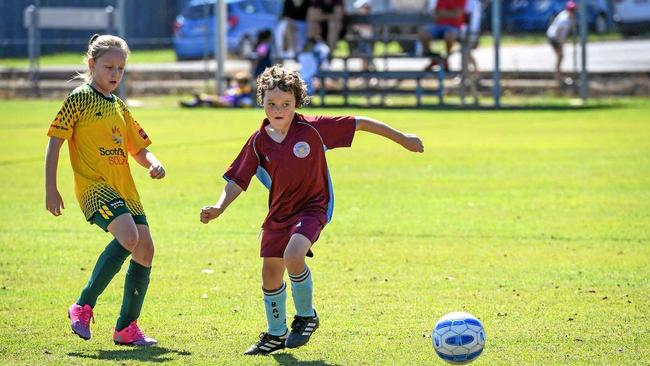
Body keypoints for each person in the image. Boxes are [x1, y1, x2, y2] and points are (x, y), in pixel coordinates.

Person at [199, 65, 424, 355]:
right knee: (270, 271)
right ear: (261, 102)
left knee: (294, 255)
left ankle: (306, 316)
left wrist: (402, 138)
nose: (278, 109)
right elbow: (237, 179)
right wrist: (219, 206)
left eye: (285, 104)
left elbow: (360, 122)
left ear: (297, 103)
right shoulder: (258, 141)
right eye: (271, 104)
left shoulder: (313, 129)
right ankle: (276, 333)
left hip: (313, 207)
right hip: (279, 213)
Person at [45, 34, 165, 347]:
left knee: (145, 250)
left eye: (120, 69)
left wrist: (153, 163)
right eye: (108, 67)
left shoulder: (120, 107)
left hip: (124, 189)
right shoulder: (79, 99)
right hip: (93, 187)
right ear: (91, 64)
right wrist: (50, 188)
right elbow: (55, 141)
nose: (115, 74)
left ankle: (126, 329)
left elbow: (138, 148)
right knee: (128, 237)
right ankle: (82, 305)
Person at [419, 0, 467, 71]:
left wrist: (443, 13)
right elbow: (437, 13)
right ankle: (434, 58)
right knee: (423, 32)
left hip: (454, 27)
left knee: (449, 35)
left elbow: (457, 14)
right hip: (439, 25)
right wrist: (450, 13)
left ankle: (445, 59)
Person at [180, 72, 253, 108]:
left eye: (241, 82)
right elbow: (226, 93)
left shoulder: (246, 90)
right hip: (223, 100)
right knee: (212, 100)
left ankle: (201, 98)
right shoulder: (234, 88)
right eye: (238, 82)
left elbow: (243, 101)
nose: (239, 83)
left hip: (229, 104)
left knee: (215, 100)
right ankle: (194, 102)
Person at [547, 1, 577, 83]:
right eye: (571, 10)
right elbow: (558, 32)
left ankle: (558, 74)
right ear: (568, 10)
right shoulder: (564, 19)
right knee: (560, 56)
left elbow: (570, 28)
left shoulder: (569, 17)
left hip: (558, 37)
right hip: (554, 37)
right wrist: (561, 43)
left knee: (561, 56)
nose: (573, 12)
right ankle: (558, 75)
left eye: (574, 10)